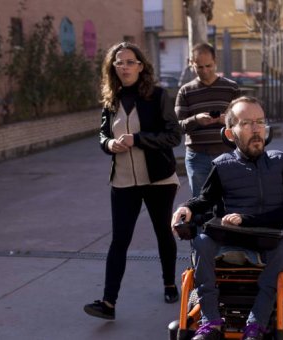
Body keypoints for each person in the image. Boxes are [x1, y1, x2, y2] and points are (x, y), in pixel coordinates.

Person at [171, 96, 283, 340]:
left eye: (260, 122)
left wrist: (246, 219)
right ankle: (211, 323)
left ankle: (256, 325)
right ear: (231, 134)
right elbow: (205, 200)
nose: (256, 129)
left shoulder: (281, 163)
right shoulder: (222, 165)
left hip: (269, 240)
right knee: (201, 242)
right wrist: (185, 207)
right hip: (231, 238)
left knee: (282, 253)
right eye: (247, 123)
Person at [84, 42, 182, 320]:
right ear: (112, 68)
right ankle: (108, 303)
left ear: (141, 66)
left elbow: (173, 136)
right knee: (119, 240)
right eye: (119, 62)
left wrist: (138, 139)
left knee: (163, 232)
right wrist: (110, 144)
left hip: (159, 179)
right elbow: (103, 135)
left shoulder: (158, 96)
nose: (124, 67)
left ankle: (169, 283)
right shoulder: (111, 99)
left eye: (130, 62)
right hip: (123, 180)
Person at [175, 43, 241, 198]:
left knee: (231, 202)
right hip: (198, 156)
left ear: (215, 61)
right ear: (192, 64)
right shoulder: (185, 91)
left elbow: (243, 122)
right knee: (201, 204)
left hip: (228, 153)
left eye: (208, 66)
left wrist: (227, 121)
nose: (205, 71)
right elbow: (176, 127)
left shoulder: (231, 88)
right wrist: (196, 119)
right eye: (199, 67)